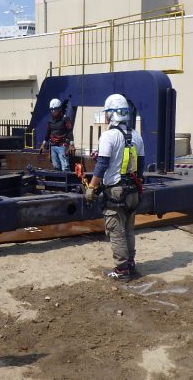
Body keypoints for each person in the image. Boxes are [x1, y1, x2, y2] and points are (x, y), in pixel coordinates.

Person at [85, 93, 145, 281]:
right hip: (133, 191)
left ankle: (122, 269)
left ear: (110, 114)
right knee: (128, 228)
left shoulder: (109, 136)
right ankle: (131, 264)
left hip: (116, 191)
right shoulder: (137, 136)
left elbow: (102, 165)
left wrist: (92, 188)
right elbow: (140, 165)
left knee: (116, 230)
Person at [39, 98, 75, 171]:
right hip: (53, 146)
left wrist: (71, 144)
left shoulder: (65, 119)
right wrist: (43, 144)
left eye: (54, 109)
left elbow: (69, 131)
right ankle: (58, 179)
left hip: (62, 146)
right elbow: (48, 132)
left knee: (65, 166)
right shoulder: (50, 121)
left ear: (59, 109)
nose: (52, 111)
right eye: (51, 109)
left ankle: (67, 180)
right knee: (56, 166)